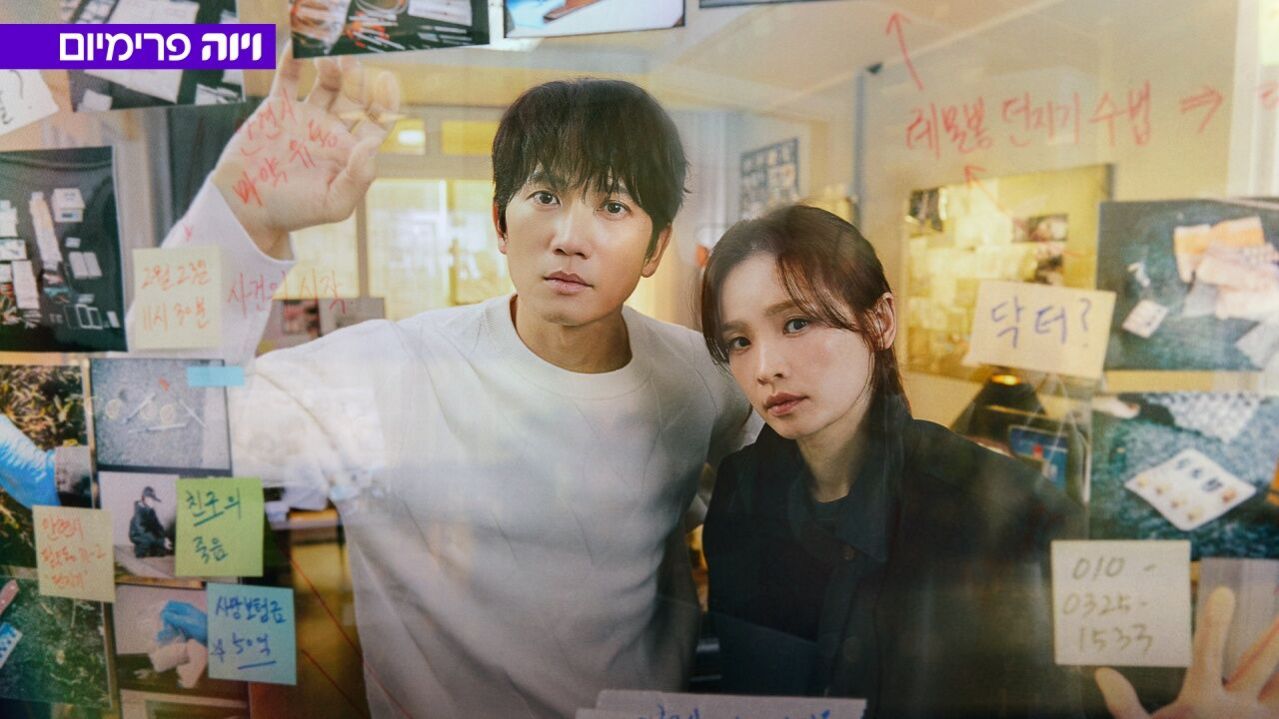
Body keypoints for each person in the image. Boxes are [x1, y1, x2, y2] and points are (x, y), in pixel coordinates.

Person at [118, 48, 751, 719]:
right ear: (500, 221)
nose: (570, 237)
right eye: (545, 196)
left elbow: (793, 488)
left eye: (614, 205)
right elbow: (152, 432)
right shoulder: (395, 371)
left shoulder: (702, 377)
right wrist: (241, 212)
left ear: (656, 249)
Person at [697, 205, 1279, 718]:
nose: (765, 367)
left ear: (880, 321)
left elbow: (1084, 696)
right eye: (740, 341)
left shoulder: (1005, 508)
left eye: (796, 323)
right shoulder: (743, 494)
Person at [128, 486, 170, 558]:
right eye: (151, 499)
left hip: (148, 534)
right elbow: (142, 530)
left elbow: (158, 526)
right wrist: (159, 541)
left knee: (161, 550)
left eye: (153, 500)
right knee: (145, 543)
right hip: (138, 535)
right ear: (144, 498)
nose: (153, 502)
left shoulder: (151, 510)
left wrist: (164, 536)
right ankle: (140, 550)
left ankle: (153, 549)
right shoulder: (139, 511)